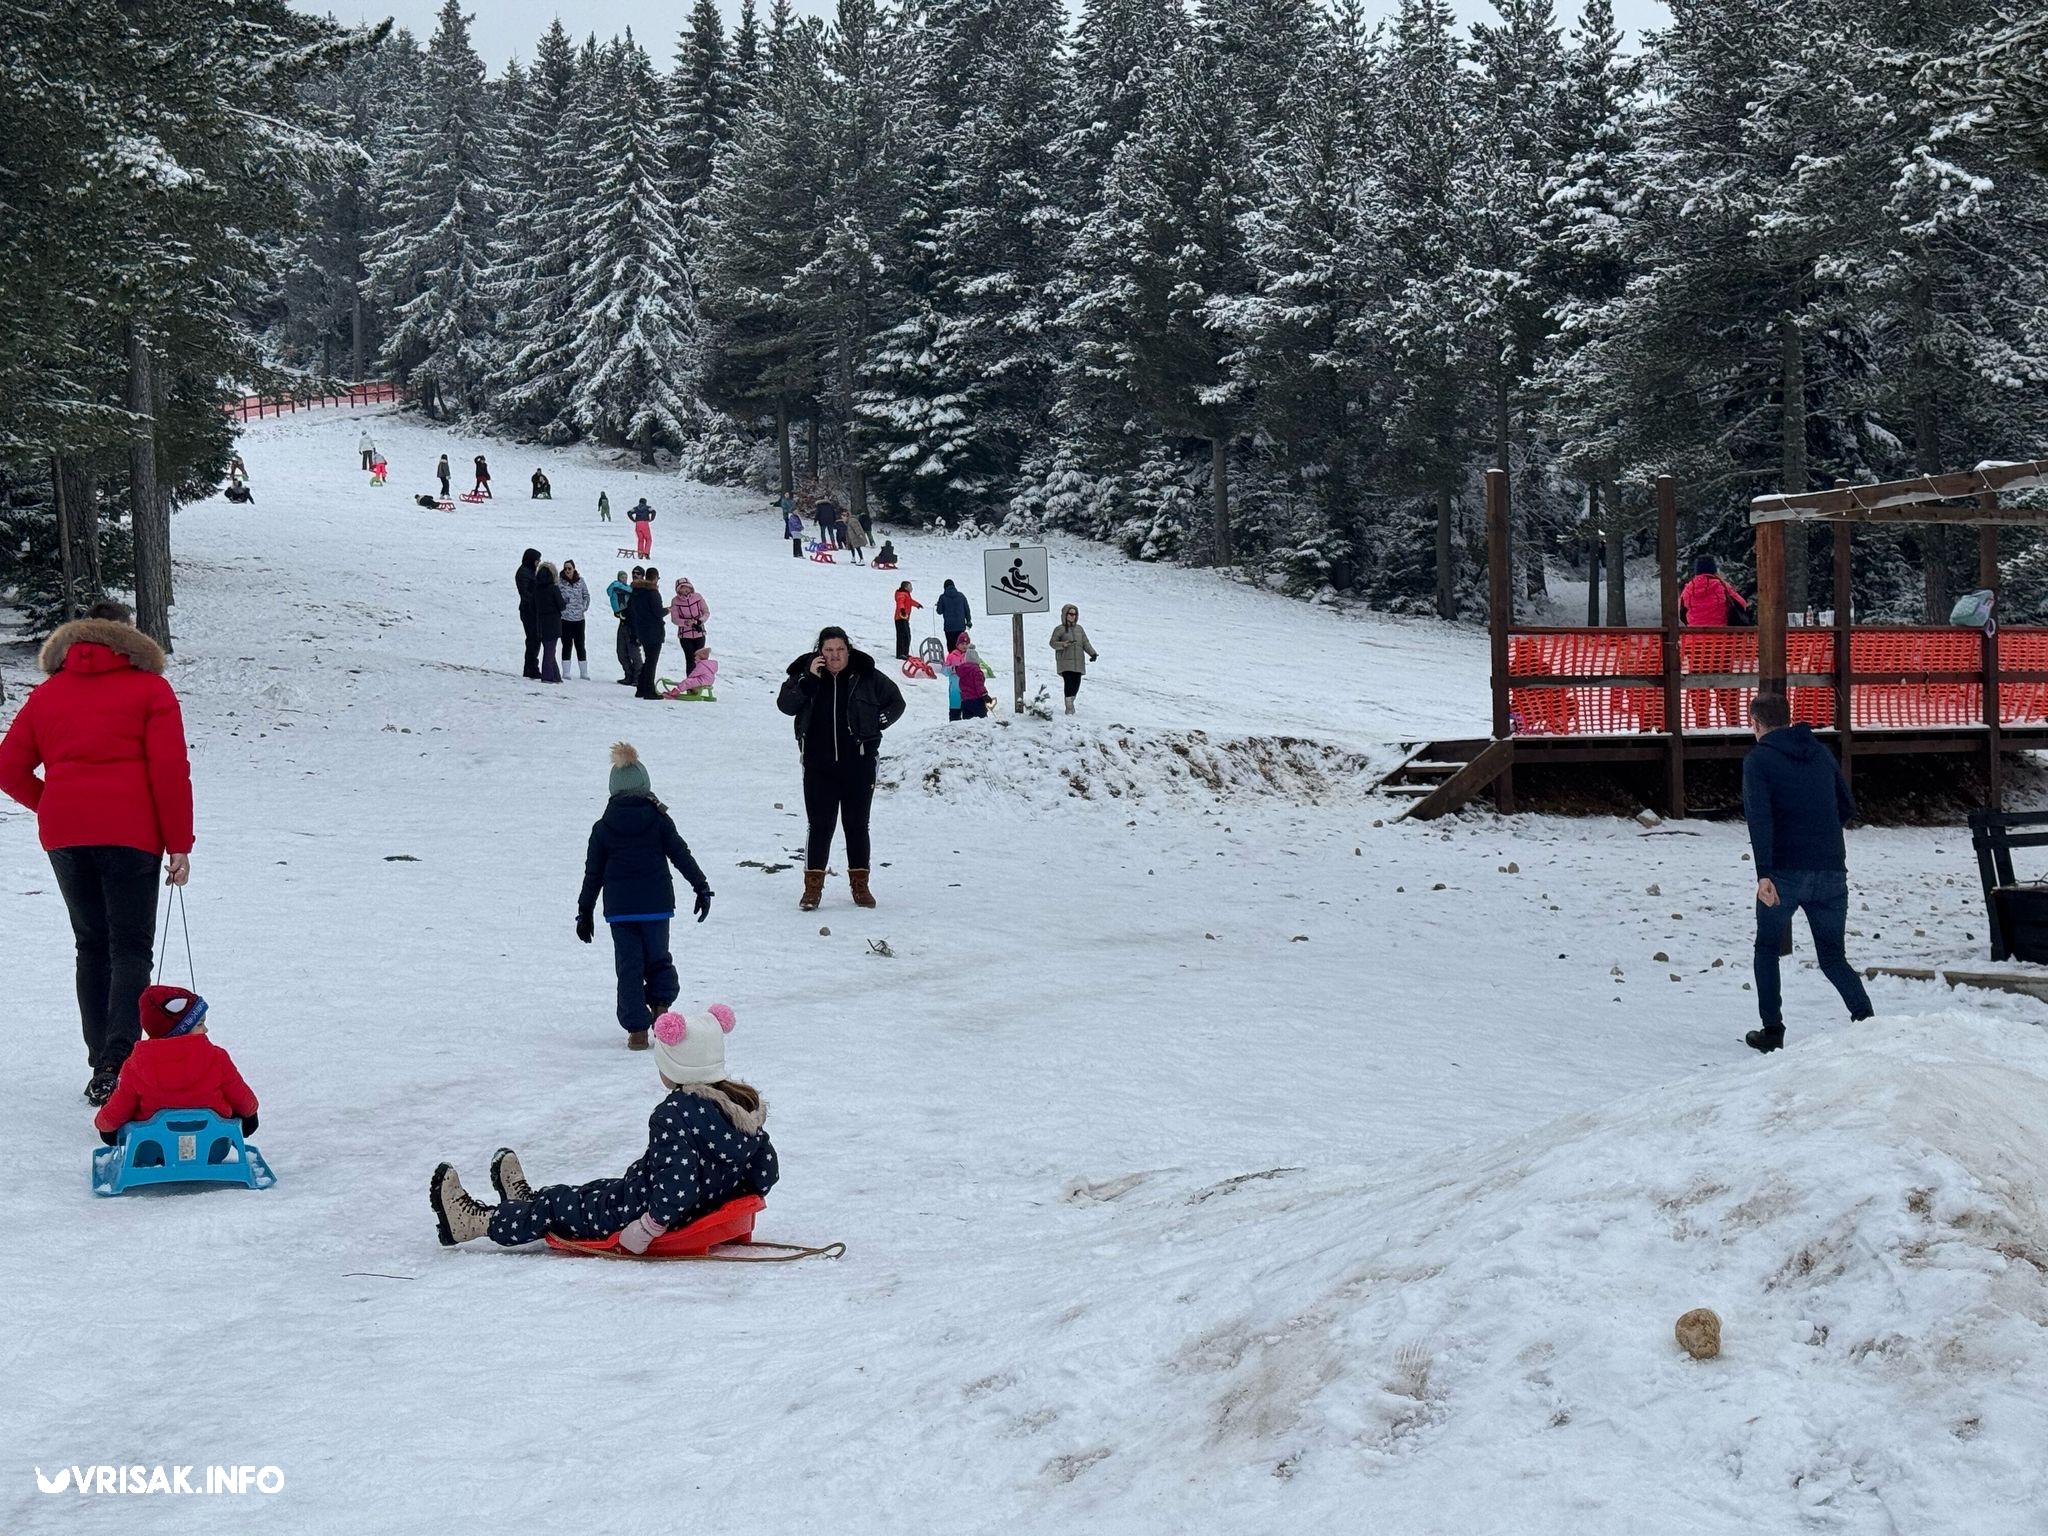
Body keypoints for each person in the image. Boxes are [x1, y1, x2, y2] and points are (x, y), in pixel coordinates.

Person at [0, 599, 194, 1105]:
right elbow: (169, 771)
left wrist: (53, 806)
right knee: (130, 946)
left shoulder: (48, 694)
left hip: (65, 834)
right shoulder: (151, 689)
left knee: (92, 944)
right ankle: (118, 1059)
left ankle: (100, 1063)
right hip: (132, 834)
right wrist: (179, 844)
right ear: (128, 638)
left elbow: (7, 768)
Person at [429, 1004, 775, 1251]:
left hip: (642, 1212)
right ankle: (527, 1202)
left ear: (678, 1067)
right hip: (660, 1198)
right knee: (591, 1191)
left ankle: (474, 1223)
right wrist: (723, 1201)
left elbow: (677, 1188)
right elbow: (765, 1172)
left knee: (558, 1209)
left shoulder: (675, 1114)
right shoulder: (742, 1104)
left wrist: (649, 1226)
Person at [1741, 693, 1873, 1054]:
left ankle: (1773, 1030)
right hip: (1831, 870)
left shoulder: (1759, 761)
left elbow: (1760, 819)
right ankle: (1866, 1019)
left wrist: (1764, 873)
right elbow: (1847, 806)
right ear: (1788, 718)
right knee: (1833, 957)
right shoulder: (1819, 753)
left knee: (1767, 948)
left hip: (1783, 873)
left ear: (1755, 723)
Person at [573, 744, 712, 1049]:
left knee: (629, 966)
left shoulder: (602, 828)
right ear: (644, 785)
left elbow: (592, 874)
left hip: (621, 912)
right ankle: (661, 1009)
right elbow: (680, 854)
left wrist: (585, 912)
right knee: (658, 958)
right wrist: (700, 886)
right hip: (656, 908)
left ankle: (637, 1031)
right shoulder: (659, 820)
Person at [776, 627, 906, 911]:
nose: (835, 656)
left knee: (857, 825)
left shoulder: (866, 675)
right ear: (820, 652)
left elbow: (897, 702)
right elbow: (785, 705)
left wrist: (878, 721)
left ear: (849, 649)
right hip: (817, 765)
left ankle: (860, 885)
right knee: (820, 826)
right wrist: (808, 678)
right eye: (829, 650)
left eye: (840, 650)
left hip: (858, 764)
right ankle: (812, 888)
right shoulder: (804, 673)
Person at [93, 985, 258, 1145]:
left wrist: (105, 1127)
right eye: (200, 1024)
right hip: (212, 1146)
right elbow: (246, 1102)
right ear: (180, 1029)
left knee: (125, 1110)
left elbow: (117, 1111)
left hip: (152, 1149)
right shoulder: (217, 1057)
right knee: (238, 1111)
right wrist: (249, 1116)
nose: (206, 1029)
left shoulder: (135, 1066)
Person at [1680, 555, 1752, 728]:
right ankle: (1732, 722)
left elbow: (1682, 613)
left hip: (1696, 646)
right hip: (1721, 645)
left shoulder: (1688, 589)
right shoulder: (1722, 586)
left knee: (1699, 687)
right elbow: (1742, 605)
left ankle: (1701, 723)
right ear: (1714, 570)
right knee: (1726, 685)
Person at [1048, 604, 1100, 715]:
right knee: (1069, 683)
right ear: (1065, 615)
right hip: (1065, 662)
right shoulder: (1059, 629)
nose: (1073, 616)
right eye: (1071, 614)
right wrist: (1063, 644)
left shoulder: (1079, 629)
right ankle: (1069, 708)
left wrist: (1093, 653)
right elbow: (1052, 643)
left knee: (1076, 684)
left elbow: (1085, 643)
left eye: (1075, 614)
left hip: (1078, 662)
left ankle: (1070, 702)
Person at [626, 565, 667, 698]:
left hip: (641, 630)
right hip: (654, 631)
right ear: (655, 578)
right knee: (651, 662)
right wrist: (668, 610)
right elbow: (658, 612)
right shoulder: (653, 593)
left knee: (648, 660)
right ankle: (648, 690)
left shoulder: (636, 592)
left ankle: (641, 688)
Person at [558, 560, 591, 680]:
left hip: (579, 619)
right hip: (565, 619)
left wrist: (583, 607)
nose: (567, 571)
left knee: (580, 644)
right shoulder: (559, 582)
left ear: (574, 569)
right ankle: (566, 672)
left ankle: (584, 672)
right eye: (565, 568)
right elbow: (556, 597)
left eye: (569, 568)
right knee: (566, 644)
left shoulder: (580, 581)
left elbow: (586, 595)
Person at [668, 577, 709, 673]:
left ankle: (700, 682)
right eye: (682, 591)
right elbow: (675, 619)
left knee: (699, 660)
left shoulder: (698, 597)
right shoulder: (675, 601)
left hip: (699, 633)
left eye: (687, 590)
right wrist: (686, 622)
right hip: (685, 635)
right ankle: (691, 685)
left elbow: (706, 612)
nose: (685, 593)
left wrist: (699, 621)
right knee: (690, 659)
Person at [534, 561, 565, 684]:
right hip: (553, 623)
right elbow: (561, 605)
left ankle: (555, 676)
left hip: (540, 622)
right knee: (550, 651)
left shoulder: (536, 589)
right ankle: (547, 676)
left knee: (549, 649)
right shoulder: (553, 588)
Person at [945, 637, 990, 720]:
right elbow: (979, 685)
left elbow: (957, 670)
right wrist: (985, 695)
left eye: (966, 644)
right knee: (982, 720)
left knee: (967, 721)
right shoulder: (977, 671)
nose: (964, 646)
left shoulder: (961, 669)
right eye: (962, 644)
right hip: (976, 700)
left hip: (965, 700)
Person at [609, 567, 641, 685]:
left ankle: (638, 677)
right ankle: (629, 675)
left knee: (634, 652)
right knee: (621, 652)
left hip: (635, 625)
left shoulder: (641, 590)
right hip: (623, 623)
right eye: (633, 573)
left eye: (638, 574)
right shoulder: (628, 588)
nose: (635, 575)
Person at [515, 548, 543, 679]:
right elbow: (525, 593)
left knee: (535, 640)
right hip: (528, 611)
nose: (539, 563)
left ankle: (531, 667)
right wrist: (536, 600)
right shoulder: (523, 573)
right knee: (533, 639)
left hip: (533, 610)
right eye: (537, 560)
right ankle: (530, 668)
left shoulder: (530, 571)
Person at [935, 579, 971, 651]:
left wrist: (939, 604)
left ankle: (952, 659)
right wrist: (969, 620)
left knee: (951, 645)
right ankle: (961, 660)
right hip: (960, 626)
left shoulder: (942, 597)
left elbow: (939, 611)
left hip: (949, 627)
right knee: (961, 644)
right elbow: (967, 609)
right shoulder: (961, 596)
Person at [892, 582, 921, 660]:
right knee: (902, 636)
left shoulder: (906, 594)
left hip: (904, 618)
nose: (911, 588)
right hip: (900, 618)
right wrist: (902, 610)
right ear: (905, 587)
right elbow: (900, 603)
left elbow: (910, 601)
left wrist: (917, 604)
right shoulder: (902, 594)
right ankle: (900, 654)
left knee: (906, 636)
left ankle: (905, 653)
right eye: (910, 586)